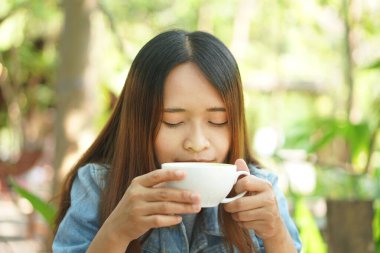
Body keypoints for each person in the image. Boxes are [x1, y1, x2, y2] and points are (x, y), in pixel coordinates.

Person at [53, 29, 302, 253]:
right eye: (172, 121)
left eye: (217, 121)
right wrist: (116, 232)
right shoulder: (98, 186)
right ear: (139, 122)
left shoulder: (262, 192)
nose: (196, 142)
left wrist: (275, 234)